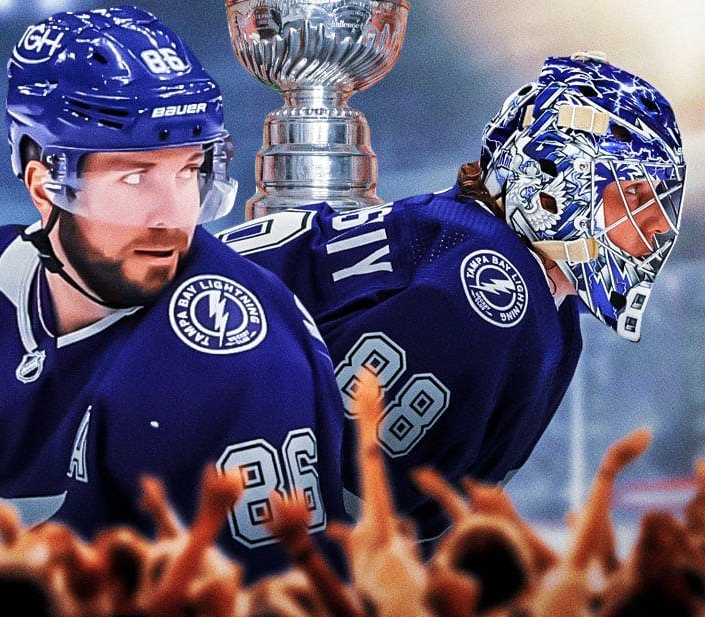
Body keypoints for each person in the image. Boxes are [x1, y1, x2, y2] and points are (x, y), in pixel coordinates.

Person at [0, 6, 346, 577]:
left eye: (188, 170)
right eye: (133, 176)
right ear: (43, 182)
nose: (173, 215)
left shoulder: (237, 355)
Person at [217, 53, 685, 541]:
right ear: (557, 178)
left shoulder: (545, 307)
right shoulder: (490, 297)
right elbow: (338, 502)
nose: (658, 225)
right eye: (635, 195)